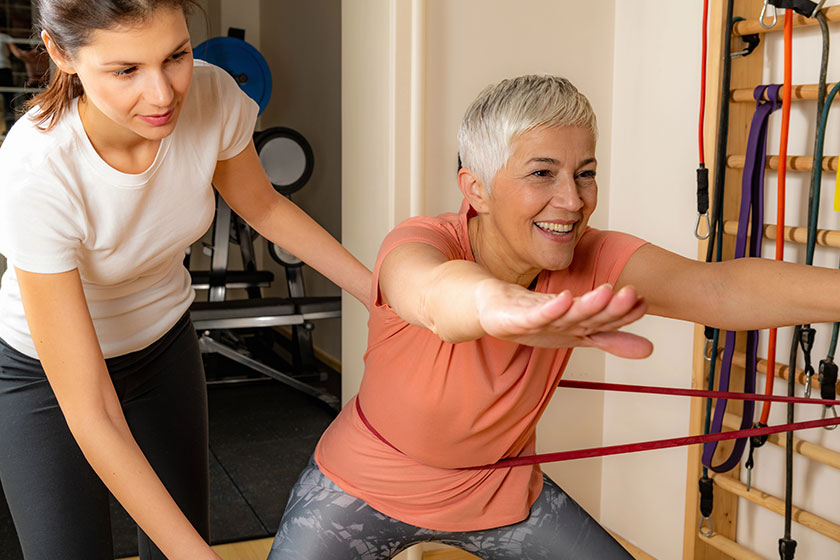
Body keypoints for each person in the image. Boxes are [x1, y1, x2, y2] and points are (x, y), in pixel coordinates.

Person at [268, 73, 840, 560]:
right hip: (361, 485)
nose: (572, 200)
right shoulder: (424, 241)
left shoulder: (593, 254)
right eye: (542, 174)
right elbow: (435, 293)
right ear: (478, 189)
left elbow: (717, 286)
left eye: (585, 172)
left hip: (501, 490)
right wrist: (504, 307)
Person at [0, 2, 370, 560]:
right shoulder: (39, 166)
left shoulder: (213, 95)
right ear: (60, 53)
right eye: (125, 71)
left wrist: (383, 295)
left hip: (163, 349)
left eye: (175, 56)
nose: (163, 94)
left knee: (180, 536)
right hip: (44, 381)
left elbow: (263, 208)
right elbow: (91, 408)